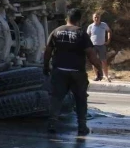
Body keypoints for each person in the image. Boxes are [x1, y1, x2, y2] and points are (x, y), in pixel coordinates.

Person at [44, 8, 104, 136]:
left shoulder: (56, 31)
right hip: (77, 72)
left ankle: (52, 124)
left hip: (59, 71)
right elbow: (91, 55)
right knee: (80, 99)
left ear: (67, 18)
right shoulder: (81, 33)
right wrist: (99, 69)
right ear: (79, 20)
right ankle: (82, 126)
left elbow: (48, 51)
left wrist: (45, 66)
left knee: (56, 98)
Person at [87, 12, 112, 82]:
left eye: (97, 17)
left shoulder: (104, 25)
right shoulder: (90, 26)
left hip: (102, 45)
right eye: (95, 17)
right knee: (94, 62)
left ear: (100, 18)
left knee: (104, 61)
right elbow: (87, 36)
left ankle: (106, 76)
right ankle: (97, 76)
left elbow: (109, 31)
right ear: (93, 18)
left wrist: (108, 39)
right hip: (93, 46)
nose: (96, 18)